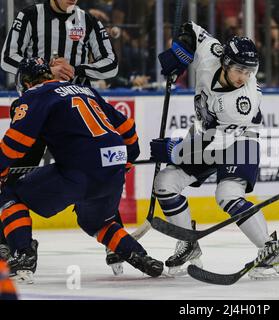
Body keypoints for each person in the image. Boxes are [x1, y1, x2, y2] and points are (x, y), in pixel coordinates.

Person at [0, 57, 163, 283]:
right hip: (113, 169)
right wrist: (127, 161)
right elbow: (126, 126)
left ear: (26, 83)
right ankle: (141, 257)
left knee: (10, 193)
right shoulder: (83, 90)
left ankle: (23, 255)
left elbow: (15, 143)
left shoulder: (34, 95)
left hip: (80, 170)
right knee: (96, 223)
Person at [153, 21, 279, 278]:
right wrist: (181, 53)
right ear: (224, 62)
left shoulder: (241, 103)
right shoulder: (212, 53)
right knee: (165, 183)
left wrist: (175, 152)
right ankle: (188, 244)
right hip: (208, 135)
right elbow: (192, 29)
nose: (243, 77)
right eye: (239, 70)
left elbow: (216, 145)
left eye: (249, 72)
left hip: (241, 140)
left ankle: (270, 253)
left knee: (227, 193)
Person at [0, 0, 122, 274]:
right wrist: (45, 71)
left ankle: (114, 243)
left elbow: (111, 65)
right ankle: (9, 242)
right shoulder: (30, 16)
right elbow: (7, 56)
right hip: (37, 109)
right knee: (13, 173)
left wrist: (77, 70)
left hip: (73, 117)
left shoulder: (88, 21)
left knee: (99, 173)